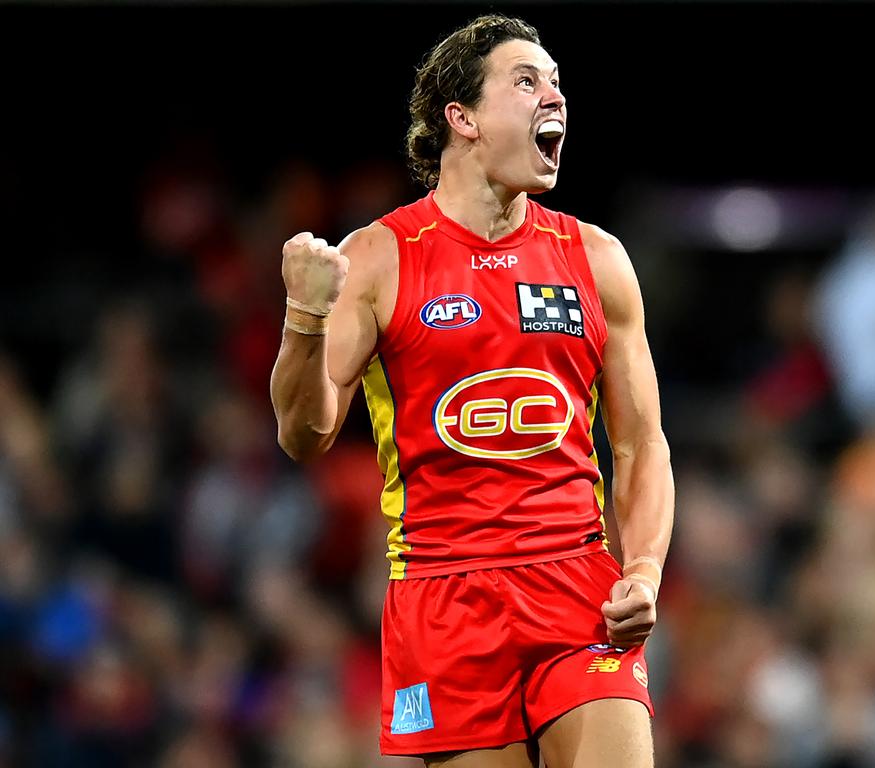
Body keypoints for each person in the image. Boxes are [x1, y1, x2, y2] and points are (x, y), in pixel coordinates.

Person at [270, 14, 673, 768]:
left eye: (557, 83)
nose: (553, 97)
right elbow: (304, 434)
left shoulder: (596, 258)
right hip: (442, 595)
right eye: (527, 81)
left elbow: (641, 443)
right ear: (462, 118)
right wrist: (305, 317)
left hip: (575, 587)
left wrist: (643, 569)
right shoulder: (379, 259)